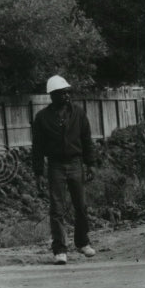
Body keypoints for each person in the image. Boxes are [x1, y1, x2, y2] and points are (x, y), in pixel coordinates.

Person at [32, 75, 96, 265]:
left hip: (76, 163)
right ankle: (60, 249)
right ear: (52, 96)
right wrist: (38, 173)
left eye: (68, 92)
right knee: (57, 208)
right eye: (61, 93)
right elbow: (37, 148)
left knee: (81, 206)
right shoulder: (42, 118)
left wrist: (90, 163)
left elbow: (87, 139)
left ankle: (82, 242)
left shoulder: (78, 113)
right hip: (55, 166)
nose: (66, 96)